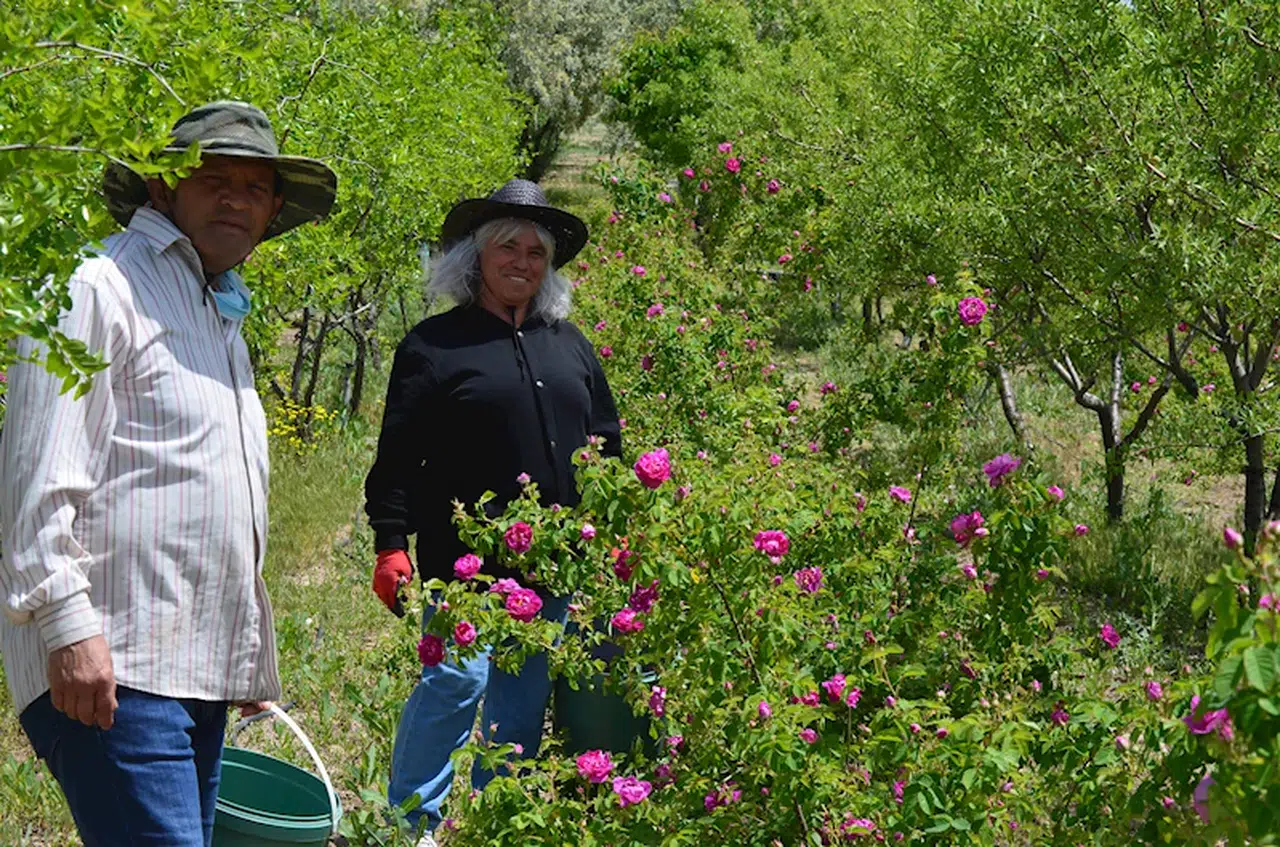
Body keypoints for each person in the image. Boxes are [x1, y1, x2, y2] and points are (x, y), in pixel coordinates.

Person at [0, 101, 337, 847]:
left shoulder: (217, 312)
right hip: (114, 662)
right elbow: (35, 472)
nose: (233, 200)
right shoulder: (97, 286)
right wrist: (68, 625)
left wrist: (240, 650)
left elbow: (204, 487)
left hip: (187, 665)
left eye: (253, 188)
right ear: (161, 188)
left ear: (274, 209)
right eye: (212, 178)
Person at [364, 178, 621, 844]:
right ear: (476, 257)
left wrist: (619, 529)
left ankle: (496, 822)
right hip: (465, 564)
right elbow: (398, 459)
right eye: (508, 246)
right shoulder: (434, 348)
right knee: (453, 681)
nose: (523, 262)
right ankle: (410, 825)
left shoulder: (570, 346)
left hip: (552, 564)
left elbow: (609, 446)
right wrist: (390, 542)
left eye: (537, 252)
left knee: (521, 701)